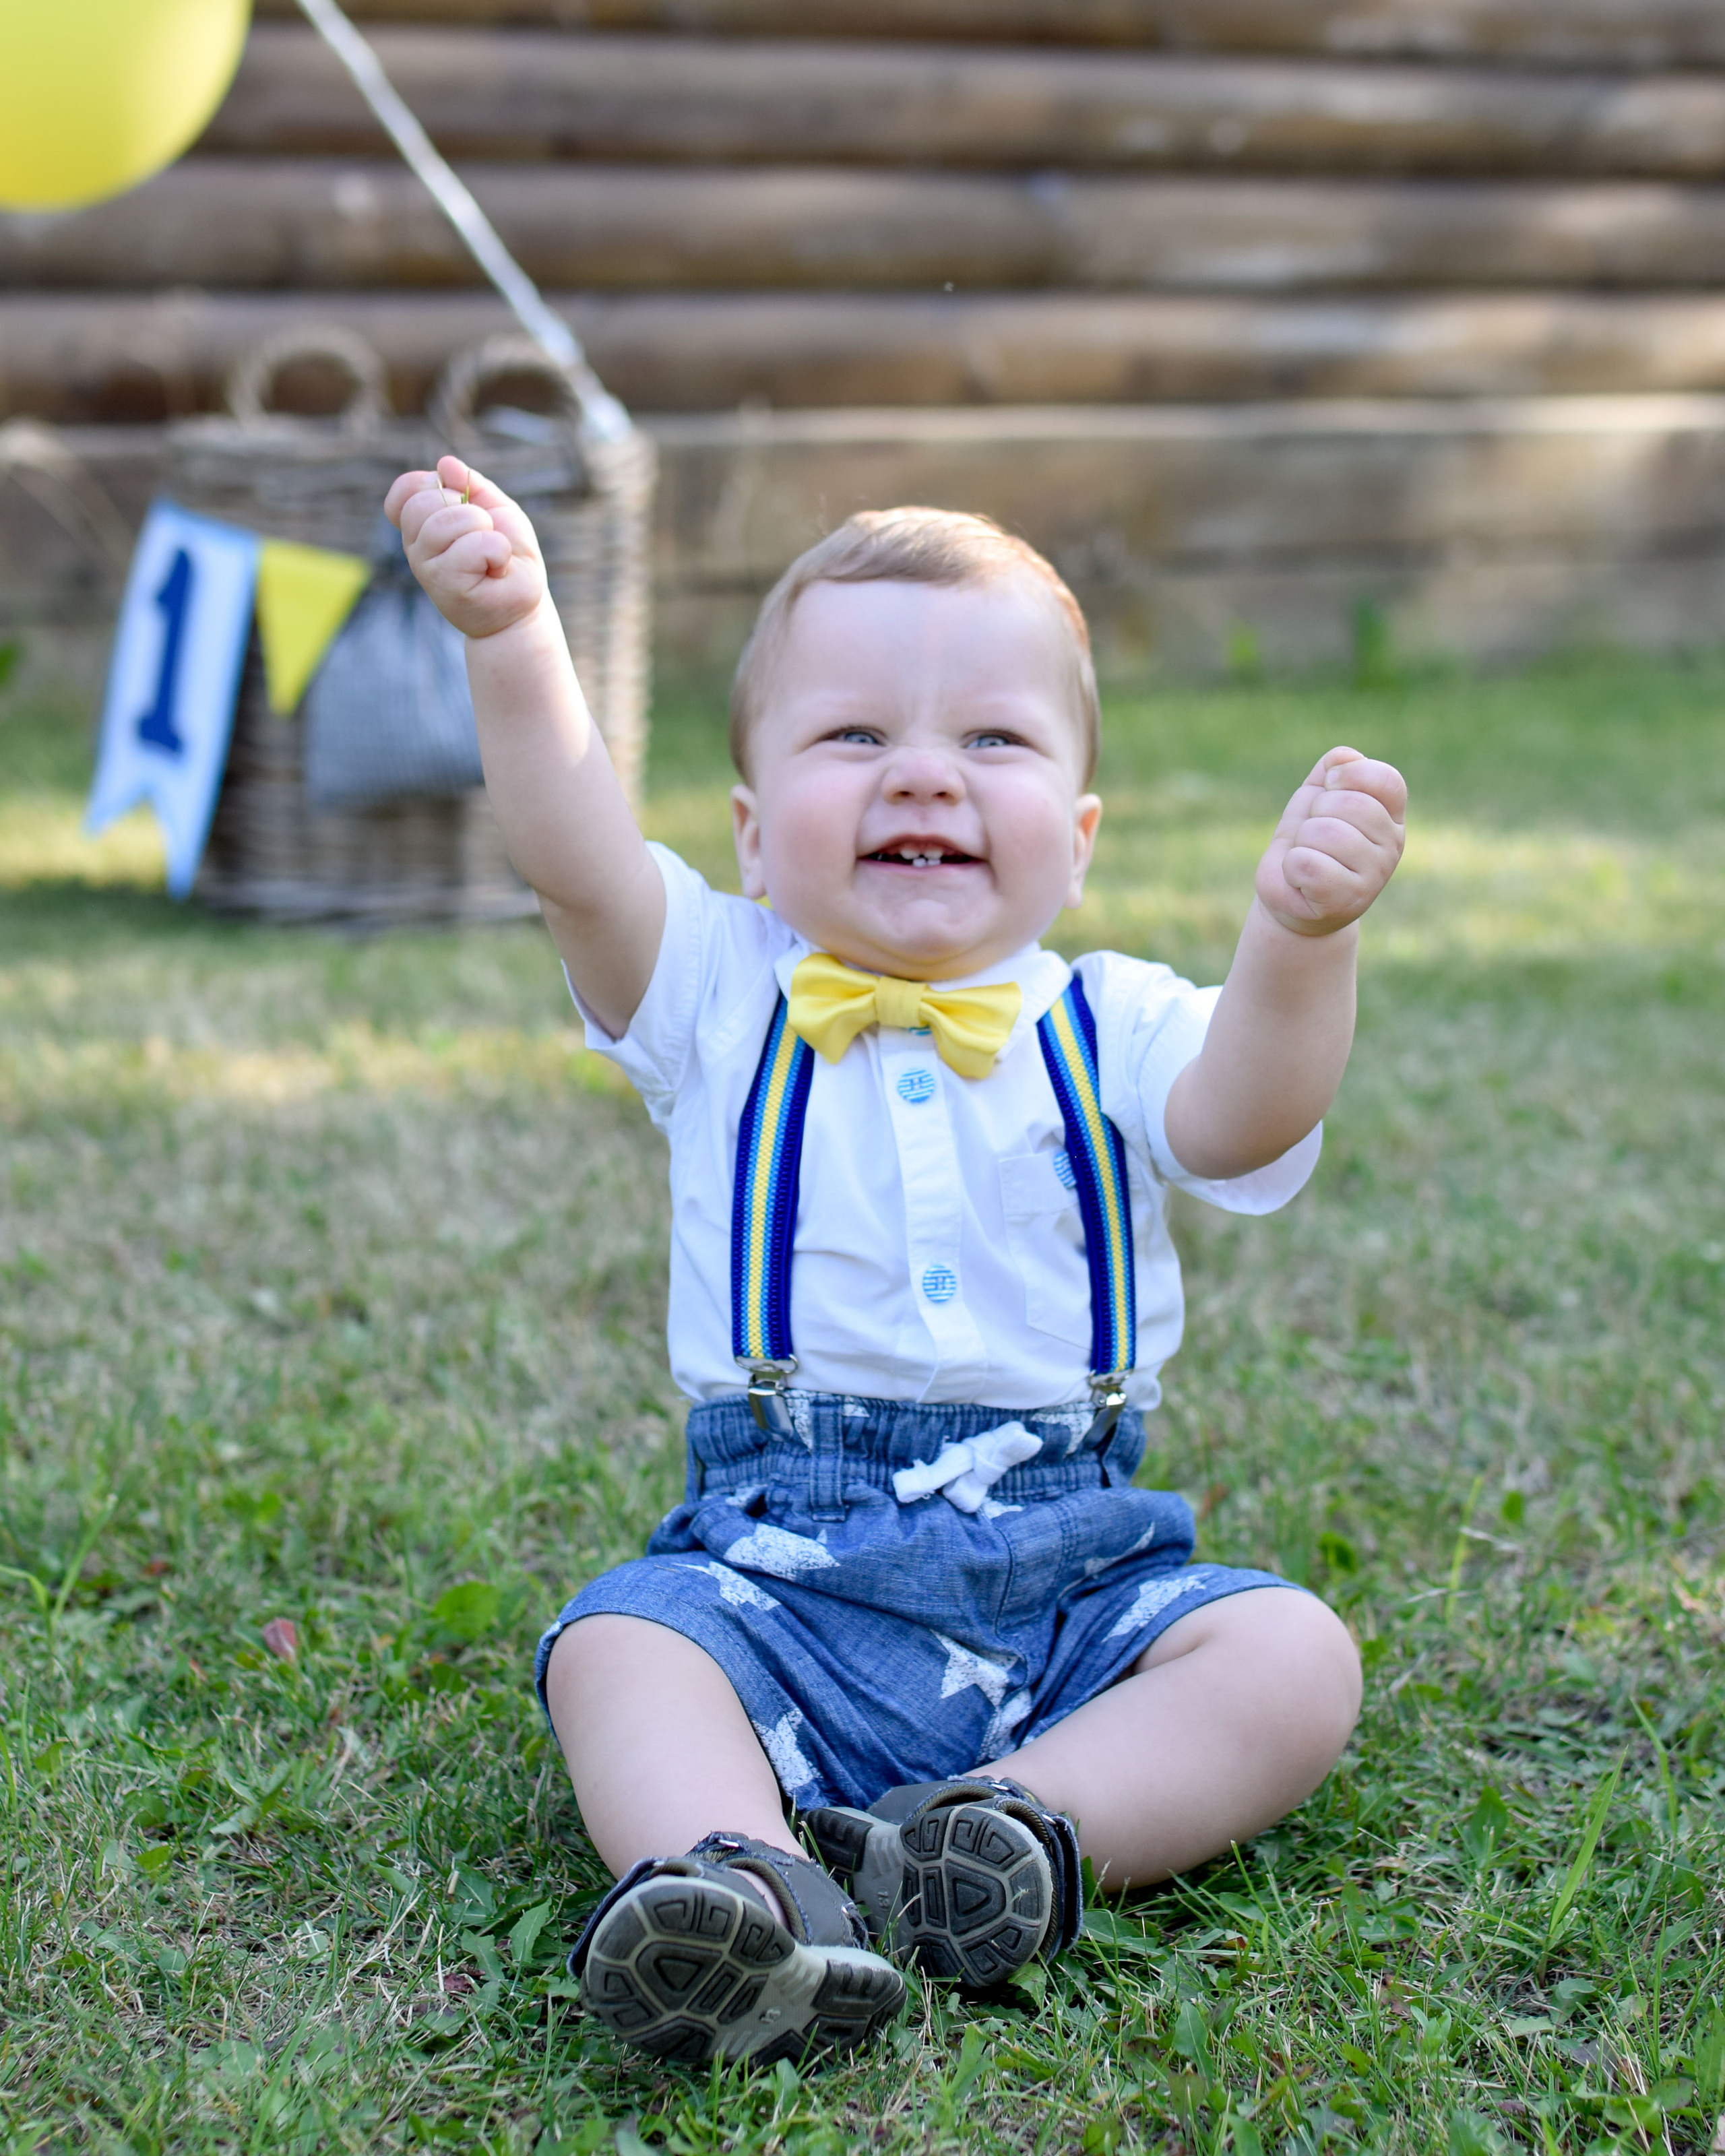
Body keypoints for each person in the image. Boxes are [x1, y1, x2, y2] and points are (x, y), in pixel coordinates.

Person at [387, 461, 1406, 2070]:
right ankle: (743, 1884)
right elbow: (577, 853)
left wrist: (1297, 937)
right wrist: (513, 632)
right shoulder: (713, 988)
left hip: (1074, 1580)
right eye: (853, 736)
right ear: (745, 830)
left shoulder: (1118, 1018)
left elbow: (1239, 1118)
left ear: (1074, 838)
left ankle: (1015, 1837)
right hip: (777, 1577)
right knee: (620, 1647)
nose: (921, 774)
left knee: (1291, 1659)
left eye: (988, 739)